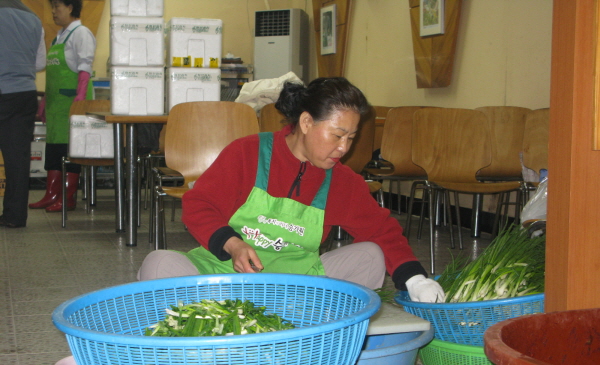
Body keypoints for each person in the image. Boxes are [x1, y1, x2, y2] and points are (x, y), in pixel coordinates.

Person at [138, 77, 444, 303]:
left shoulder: (341, 180)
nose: (344, 148)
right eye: (337, 135)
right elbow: (199, 204)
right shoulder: (248, 153)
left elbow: (381, 231)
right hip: (222, 279)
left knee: (371, 256)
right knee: (159, 264)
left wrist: (415, 279)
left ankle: (300, 327)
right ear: (307, 122)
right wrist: (233, 245)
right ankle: (222, 323)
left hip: (296, 289)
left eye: (351, 138)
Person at [29, 0, 95, 212]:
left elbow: (85, 66)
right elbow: (52, 76)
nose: (54, 12)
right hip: (56, 104)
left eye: (57, 7)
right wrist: (44, 103)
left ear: (70, 7)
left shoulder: (81, 33)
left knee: (72, 148)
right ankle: (51, 193)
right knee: (55, 147)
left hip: (72, 100)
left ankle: (68, 197)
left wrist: (81, 96)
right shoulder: (58, 37)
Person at [0, 0, 46, 228]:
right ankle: (14, 217)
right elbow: (39, 63)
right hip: (24, 94)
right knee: (17, 160)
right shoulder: (34, 18)